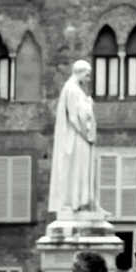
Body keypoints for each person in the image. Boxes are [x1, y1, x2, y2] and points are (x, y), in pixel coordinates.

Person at [47, 61, 99, 217]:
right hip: (77, 138)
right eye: (87, 75)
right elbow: (76, 117)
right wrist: (89, 107)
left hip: (78, 138)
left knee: (80, 169)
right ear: (79, 72)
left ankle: (82, 202)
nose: (88, 79)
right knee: (78, 169)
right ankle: (77, 202)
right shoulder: (72, 90)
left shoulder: (74, 89)